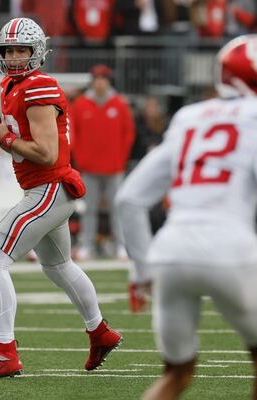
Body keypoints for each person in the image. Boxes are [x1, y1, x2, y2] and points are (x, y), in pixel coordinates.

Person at [0, 17, 122, 379]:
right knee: (58, 266)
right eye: (9, 50)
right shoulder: (11, 85)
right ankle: (100, 332)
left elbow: (47, 154)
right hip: (48, 189)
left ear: (38, 52)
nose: (16, 56)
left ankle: (5, 353)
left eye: (22, 50)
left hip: (48, 188)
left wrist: (3, 137)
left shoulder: (38, 87)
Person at [115, 34, 257, 400]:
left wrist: (142, 270)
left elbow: (129, 198)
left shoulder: (189, 116)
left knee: (176, 374)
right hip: (231, 248)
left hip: (170, 251)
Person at [70, 63, 135, 260]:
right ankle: (86, 245)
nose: (100, 84)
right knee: (89, 209)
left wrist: (120, 159)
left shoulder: (119, 104)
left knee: (117, 208)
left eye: (103, 80)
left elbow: (128, 134)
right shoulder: (80, 104)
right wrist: (80, 158)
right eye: (97, 80)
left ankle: (121, 246)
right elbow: (73, 133)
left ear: (108, 82)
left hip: (114, 167)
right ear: (93, 82)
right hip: (89, 168)